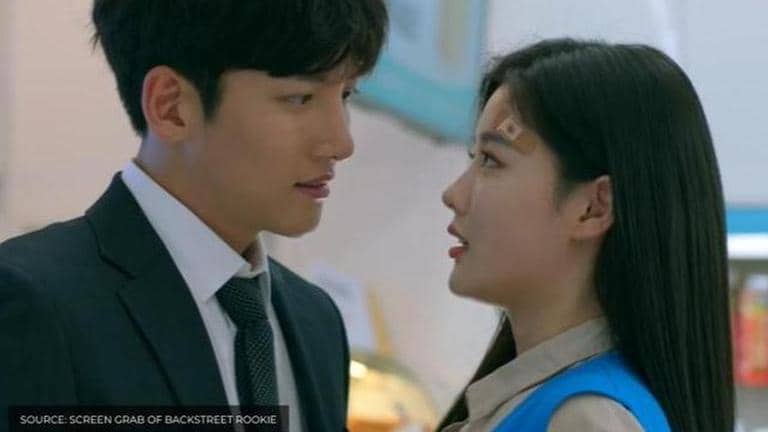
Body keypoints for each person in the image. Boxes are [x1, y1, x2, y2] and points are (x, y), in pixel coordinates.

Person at [0, 1, 387, 431]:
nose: (341, 142)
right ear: (171, 106)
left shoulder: (316, 322)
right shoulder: (36, 302)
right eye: (299, 98)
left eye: (346, 94)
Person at [438, 38, 733, 432]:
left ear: (594, 207)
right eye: (473, 158)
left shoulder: (587, 417)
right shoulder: (552, 402)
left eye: (491, 160)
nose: (454, 194)